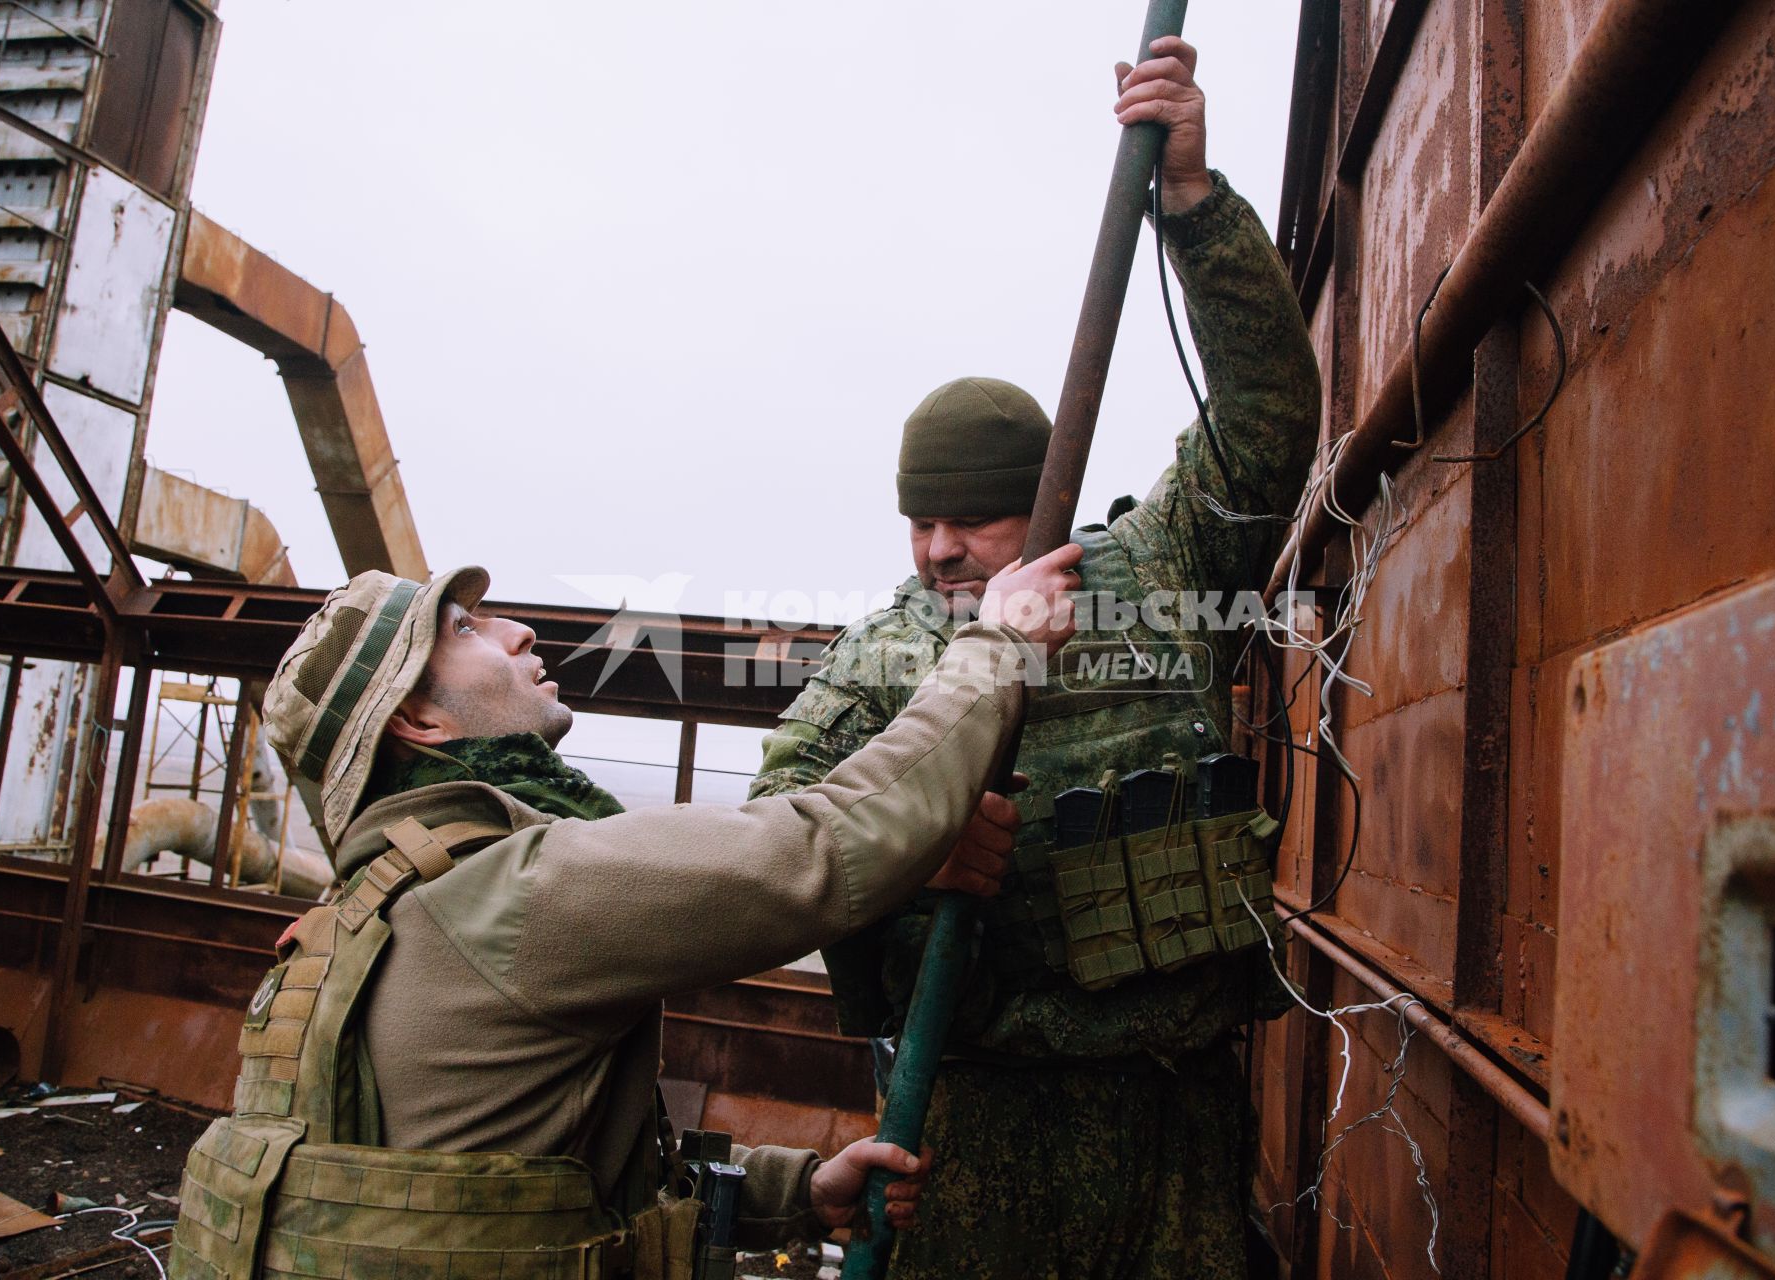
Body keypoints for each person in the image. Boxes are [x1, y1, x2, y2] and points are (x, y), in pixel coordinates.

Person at [748, 36, 1321, 1279]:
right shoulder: (889, 647)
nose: (943, 547)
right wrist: (907, 844)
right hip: (976, 1112)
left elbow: (1268, 422)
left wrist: (1193, 204)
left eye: (975, 518)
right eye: (922, 520)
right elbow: (774, 833)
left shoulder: (1160, 569)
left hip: (1172, 1107)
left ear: (1039, 504)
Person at [169, 547, 1080, 1280]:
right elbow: (823, 849)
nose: (519, 630)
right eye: (466, 627)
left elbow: (534, 1167)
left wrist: (795, 1191)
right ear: (419, 723)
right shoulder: (511, 894)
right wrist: (994, 645)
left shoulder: (363, 914)